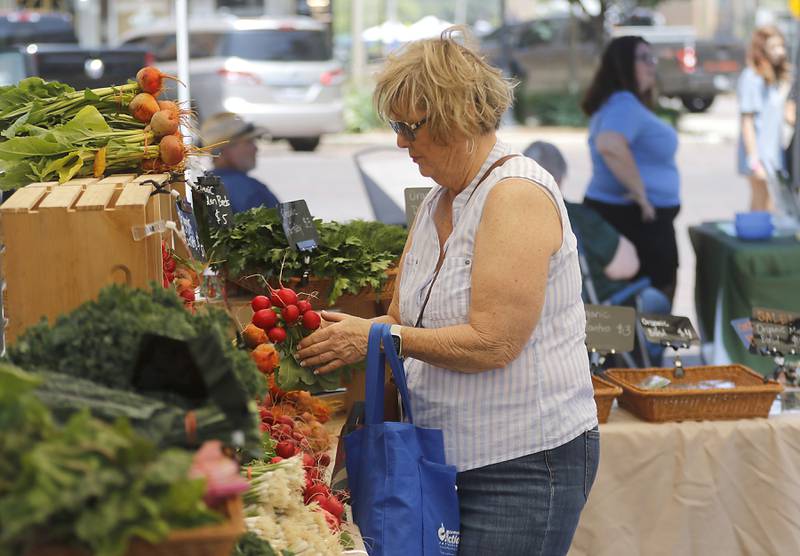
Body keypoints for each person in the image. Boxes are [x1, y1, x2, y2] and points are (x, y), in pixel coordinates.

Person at [297, 28, 598, 555]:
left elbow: (493, 343)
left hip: (521, 464)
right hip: (443, 459)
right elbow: (399, 320)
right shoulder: (439, 201)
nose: (399, 142)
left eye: (407, 127)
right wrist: (358, 428)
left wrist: (376, 338)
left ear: (454, 116)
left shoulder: (515, 195)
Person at [525, 140, 671, 365]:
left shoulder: (505, 218)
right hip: (592, 324)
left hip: (530, 326)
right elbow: (627, 266)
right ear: (560, 178)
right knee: (656, 303)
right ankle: (644, 379)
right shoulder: (579, 218)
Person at [581, 36, 681, 302]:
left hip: (626, 217)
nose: (652, 65)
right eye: (643, 58)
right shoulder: (623, 103)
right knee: (648, 303)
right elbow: (610, 144)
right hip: (634, 220)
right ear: (623, 64)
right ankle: (642, 346)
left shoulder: (618, 104)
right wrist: (641, 195)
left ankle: (633, 345)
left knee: (625, 311)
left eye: (653, 57)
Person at [737, 26, 794, 211]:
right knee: (762, 202)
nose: (780, 52)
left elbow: (786, 115)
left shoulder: (777, 79)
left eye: (781, 46)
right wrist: (754, 160)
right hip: (758, 154)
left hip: (773, 154)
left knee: (770, 203)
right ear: (762, 50)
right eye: (774, 47)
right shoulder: (752, 77)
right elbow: (747, 122)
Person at [200, 112, 279, 213]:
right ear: (224, 149)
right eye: (248, 142)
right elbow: (288, 226)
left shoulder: (201, 187)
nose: (255, 148)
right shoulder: (251, 190)